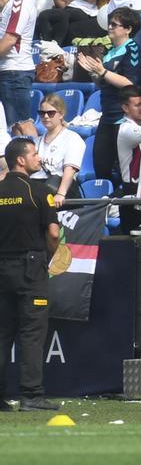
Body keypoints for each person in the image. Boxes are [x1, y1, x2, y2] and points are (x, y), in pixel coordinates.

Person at [0, 135, 59, 411]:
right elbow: (53, 233)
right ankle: (32, 396)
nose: (39, 158)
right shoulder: (40, 191)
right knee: (32, 333)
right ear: (21, 160)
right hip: (30, 267)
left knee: (2, 332)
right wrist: (45, 258)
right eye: (34, 153)